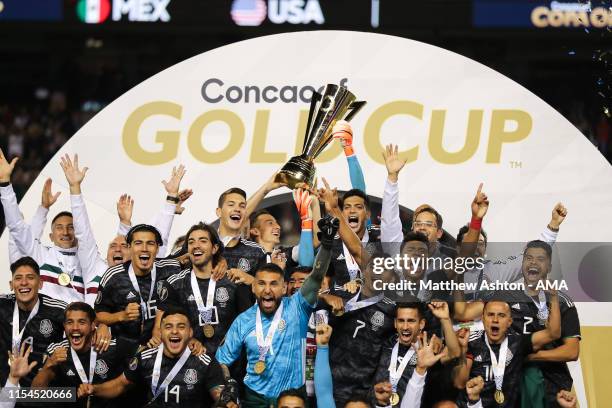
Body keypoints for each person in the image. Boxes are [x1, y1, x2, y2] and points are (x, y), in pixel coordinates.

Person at [215, 216, 339, 406]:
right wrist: (228, 382)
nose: (267, 290)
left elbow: (316, 277)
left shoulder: (297, 306)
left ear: (283, 288)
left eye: (274, 284)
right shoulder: (243, 321)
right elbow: (222, 360)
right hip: (254, 399)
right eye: (262, 284)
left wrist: (327, 245)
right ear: (254, 287)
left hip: (292, 398)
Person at [62, 155, 190, 305]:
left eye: (123, 246)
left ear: (132, 251)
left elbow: (159, 236)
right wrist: (74, 188)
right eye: (113, 246)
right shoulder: (94, 268)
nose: (117, 250)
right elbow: (83, 233)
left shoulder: (146, 268)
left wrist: (171, 198)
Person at [78, 307, 233, 407]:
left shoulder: (205, 362)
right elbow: (120, 385)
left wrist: (226, 402)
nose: (174, 332)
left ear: (190, 333)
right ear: (160, 332)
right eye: (168, 327)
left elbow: (218, 393)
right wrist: (94, 389)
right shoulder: (145, 358)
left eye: (181, 327)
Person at [0, 149, 90, 303]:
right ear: (51, 236)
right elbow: (17, 227)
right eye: (59, 227)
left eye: (71, 227)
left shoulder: (88, 259)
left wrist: (75, 187)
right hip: (46, 324)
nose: (66, 232)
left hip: (79, 324)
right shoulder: (41, 255)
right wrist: (5, 184)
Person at [157, 222, 252, 355]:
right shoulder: (175, 284)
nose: (196, 245)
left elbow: (247, 324)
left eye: (203, 241)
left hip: (231, 361)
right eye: (191, 242)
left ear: (214, 248)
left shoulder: (233, 281)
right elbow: (162, 329)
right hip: (191, 362)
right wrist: (188, 340)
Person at [454, 294, 561, 407]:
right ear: (483, 319)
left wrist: (553, 297)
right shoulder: (472, 344)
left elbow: (553, 333)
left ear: (509, 321)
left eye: (501, 315)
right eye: (490, 315)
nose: (495, 320)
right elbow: (459, 383)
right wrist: (463, 351)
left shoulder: (518, 344)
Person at [94, 224, 181, 349]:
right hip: (123, 349)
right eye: (138, 243)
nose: (144, 248)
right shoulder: (113, 276)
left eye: (150, 243)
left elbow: (197, 259)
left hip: (160, 348)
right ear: (129, 247)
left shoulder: (171, 268)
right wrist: (122, 315)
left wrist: (220, 263)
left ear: (157, 248)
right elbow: (99, 314)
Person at [31, 302, 129, 408]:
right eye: (69, 322)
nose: (75, 327)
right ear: (64, 326)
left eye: (82, 322)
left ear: (92, 325)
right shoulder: (56, 350)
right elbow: (35, 394)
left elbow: (128, 381)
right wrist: (48, 365)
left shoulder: (112, 347)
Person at [380, 144, 455, 275]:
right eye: (418, 223)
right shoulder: (398, 250)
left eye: (428, 224)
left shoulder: (448, 262)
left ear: (439, 233)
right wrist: (392, 178)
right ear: (412, 228)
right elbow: (389, 221)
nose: (421, 227)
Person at [373, 302, 461, 407]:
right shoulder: (383, 344)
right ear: (395, 323)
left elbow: (453, 353)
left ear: (421, 324)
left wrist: (445, 319)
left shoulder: (427, 349)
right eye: (401, 321)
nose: (405, 327)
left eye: (411, 321)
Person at [0, 257, 67, 387]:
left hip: (41, 393)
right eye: (18, 278)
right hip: (6, 391)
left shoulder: (57, 309)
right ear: (11, 285)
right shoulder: (3, 304)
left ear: (40, 283)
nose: (24, 282)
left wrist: (103, 326)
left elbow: (85, 322)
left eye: (30, 277)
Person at [216, 187, 267, 279]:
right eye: (231, 205)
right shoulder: (202, 247)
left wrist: (250, 280)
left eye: (242, 206)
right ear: (219, 212)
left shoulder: (257, 251)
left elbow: (267, 289)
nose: (237, 209)